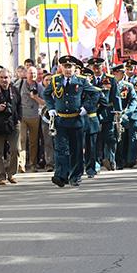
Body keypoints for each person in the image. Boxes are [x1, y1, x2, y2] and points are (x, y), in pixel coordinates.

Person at [43, 56, 99, 187]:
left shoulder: (81, 80)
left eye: (70, 67)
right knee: (61, 150)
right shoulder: (55, 80)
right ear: (61, 68)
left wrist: (86, 107)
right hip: (61, 120)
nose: (68, 70)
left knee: (76, 150)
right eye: (65, 66)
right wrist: (51, 108)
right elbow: (46, 94)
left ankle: (75, 176)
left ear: (75, 68)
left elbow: (95, 94)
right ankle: (61, 176)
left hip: (76, 120)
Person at [88, 57, 122, 172]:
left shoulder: (110, 79)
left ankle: (110, 159)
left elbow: (116, 96)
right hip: (94, 113)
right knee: (96, 139)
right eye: (94, 67)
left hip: (108, 112)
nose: (96, 69)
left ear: (102, 67)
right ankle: (96, 162)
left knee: (110, 138)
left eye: (98, 67)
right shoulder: (89, 80)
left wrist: (118, 112)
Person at [0, 68, 22, 185]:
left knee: (15, 150)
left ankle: (11, 174)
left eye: (6, 78)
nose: (4, 80)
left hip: (13, 124)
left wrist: (19, 119)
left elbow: (20, 105)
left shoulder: (15, 90)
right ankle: (1, 176)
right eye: (1, 78)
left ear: (10, 79)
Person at [111, 64, 137, 170]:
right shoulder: (109, 84)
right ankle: (119, 161)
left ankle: (129, 160)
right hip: (114, 114)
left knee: (129, 136)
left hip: (125, 114)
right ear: (115, 73)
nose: (123, 74)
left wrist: (127, 113)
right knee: (118, 138)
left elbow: (134, 100)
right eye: (120, 72)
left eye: (123, 72)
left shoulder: (128, 86)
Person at [16, 66, 45, 172]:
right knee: (22, 140)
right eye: (30, 73)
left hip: (34, 117)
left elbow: (44, 102)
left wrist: (36, 97)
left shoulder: (40, 87)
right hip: (22, 116)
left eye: (34, 73)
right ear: (26, 74)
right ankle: (21, 164)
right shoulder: (19, 84)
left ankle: (33, 164)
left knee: (33, 142)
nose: (32, 75)